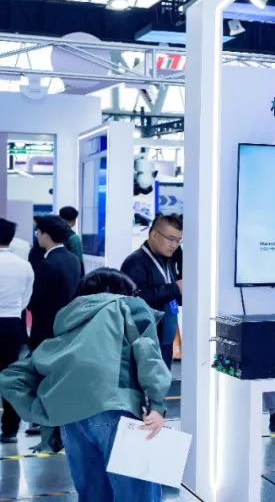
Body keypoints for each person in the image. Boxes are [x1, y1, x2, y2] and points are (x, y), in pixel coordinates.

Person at [0, 268, 171, 502]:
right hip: (117, 410)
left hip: (71, 420)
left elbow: (11, 376)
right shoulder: (128, 305)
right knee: (137, 495)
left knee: (92, 496)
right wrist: (157, 405)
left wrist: (41, 412)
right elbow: (147, 352)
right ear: (120, 291)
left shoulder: (68, 322)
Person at [121, 214, 182, 370]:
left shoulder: (168, 259)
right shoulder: (135, 262)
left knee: (162, 380)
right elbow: (135, 299)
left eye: (178, 240)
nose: (174, 245)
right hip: (145, 340)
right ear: (154, 235)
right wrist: (174, 288)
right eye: (171, 239)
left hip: (165, 339)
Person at [0, 218, 33, 443]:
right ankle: (10, 429)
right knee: (10, 377)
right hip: (13, 325)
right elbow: (26, 299)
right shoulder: (24, 265)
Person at [27, 215, 82, 350]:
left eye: (38, 232)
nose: (37, 236)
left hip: (46, 327)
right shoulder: (73, 259)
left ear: (45, 234)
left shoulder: (47, 264)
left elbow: (35, 299)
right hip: (67, 324)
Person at [58, 206, 84, 274]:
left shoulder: (50, 234)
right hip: (69, 274)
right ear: (74, 220)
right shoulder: (73, 238)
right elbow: (78, 262)